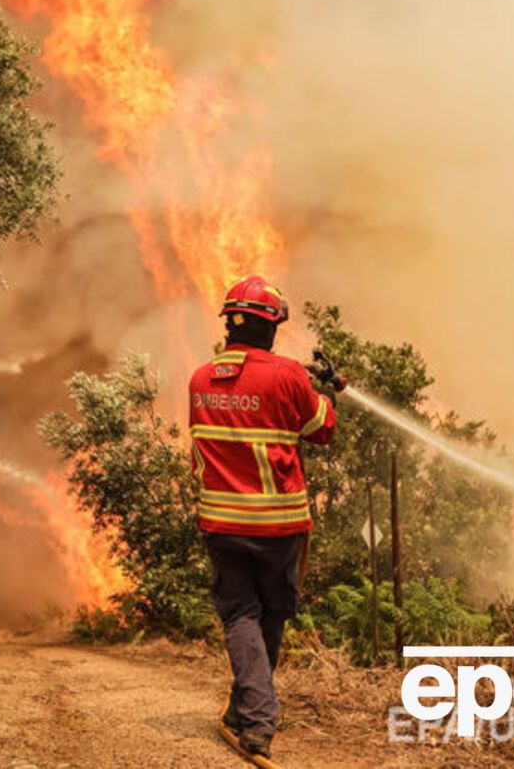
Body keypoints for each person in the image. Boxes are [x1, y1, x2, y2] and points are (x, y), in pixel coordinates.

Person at [189, 276, 343, 761]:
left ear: (230, 326)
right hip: (278, 526)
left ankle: (244, 707)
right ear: (271, 327)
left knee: (242, 614)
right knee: (268, 611)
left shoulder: (199, 378)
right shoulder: (288, 376)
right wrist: (325, 392)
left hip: (222, 524)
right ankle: (259, 722)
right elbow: (322, 429)